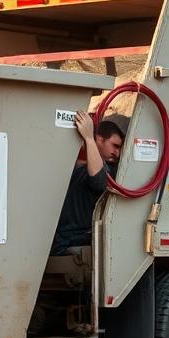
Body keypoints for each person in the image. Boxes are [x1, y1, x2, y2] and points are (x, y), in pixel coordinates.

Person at [50, 110, 128, 256]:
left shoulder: (110, 171)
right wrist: (88, 138)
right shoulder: (76, 166)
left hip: (75, 242)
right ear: (100, 139)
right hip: (62, 241)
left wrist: (88, 138)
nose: (117, 153)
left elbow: (99, 181)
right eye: (115, 146)